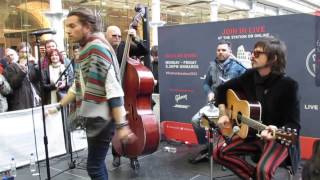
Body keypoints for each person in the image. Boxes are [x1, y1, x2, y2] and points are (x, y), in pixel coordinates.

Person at [47, 7, 136, 180]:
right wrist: (58, 106)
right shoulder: (86, 50)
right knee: (97, 164)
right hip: (96, 117)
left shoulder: (96, 48)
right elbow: (78, 87)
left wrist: (122, 126)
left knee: (94, 167)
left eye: (73, 26)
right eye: (67, 26)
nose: (68, 31)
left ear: (87, 26)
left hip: (102, 119)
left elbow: (114, 89)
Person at [213, 37, 301, 180]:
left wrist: (276, 131)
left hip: (277, 138)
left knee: (263, 171)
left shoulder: (288, 85)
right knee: (219, 152)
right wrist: (223, 114)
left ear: (273, 58)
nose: (252, 55)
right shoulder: (249, 76)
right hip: (253, 134)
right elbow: (222, 89)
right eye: (253, 52)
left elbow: (294, 125)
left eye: (258, 53)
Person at [189, 40, 246, 164]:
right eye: (218, 50)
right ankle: (207, 148)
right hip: (214, 104)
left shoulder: (239, 66)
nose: (220, 52)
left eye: (223, 50)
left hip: (231, 106)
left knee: (227, 128)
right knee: (195, 120)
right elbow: (206, 84)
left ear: (230, 52)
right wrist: (209, 92)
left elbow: (248, 84)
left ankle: (230, 150)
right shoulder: (212, 65)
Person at [106, 25, 148, 169]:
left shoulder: (126, 46)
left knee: (130, 126)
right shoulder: (103, 50)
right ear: (107, 36)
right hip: (112, 93)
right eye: (114, 36)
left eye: (119, 35)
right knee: (115, 127)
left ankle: (133, 156)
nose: (117, 38)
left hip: (129, 94)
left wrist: (135, 38)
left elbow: (144, 51)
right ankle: (116, 154)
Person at [4, 42, 41, 111]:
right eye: (22, 52)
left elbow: (40, 79)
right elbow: (13, 84)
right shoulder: (10, 67)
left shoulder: (33, 65)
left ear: (30, 53)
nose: (24, 54)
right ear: (18, 53)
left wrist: (36, 64)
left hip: (35, 99)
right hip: (21, 102)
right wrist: (23, 70)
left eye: (26, 52)